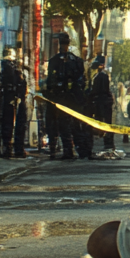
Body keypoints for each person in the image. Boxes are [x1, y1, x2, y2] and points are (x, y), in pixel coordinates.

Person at [45, 32, 92, 161]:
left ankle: (80, 150)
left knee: (73, 125)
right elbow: (50, 82)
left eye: (65, 44)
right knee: (64, 126)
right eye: (62, 44)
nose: (63, 46)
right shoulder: (56, 61)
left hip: (71, 99)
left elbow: (81, 81)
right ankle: (70, 150)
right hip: (62, 99)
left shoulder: (75, 61)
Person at [0, 47, 29, 159]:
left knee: (6, 124)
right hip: (14, 99)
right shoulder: (12, 68)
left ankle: (7, 148)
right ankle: (16, 149)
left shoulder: (1, 66)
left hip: (8, 99)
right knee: (15, 125)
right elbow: (20, 83)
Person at [89, 54, 117, 158]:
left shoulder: (101, 76)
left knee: (105, 122)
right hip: (102, 102)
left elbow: (99, 90)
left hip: (102, 103)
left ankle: (108, 144)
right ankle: (108, 143)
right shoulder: (100, 75)